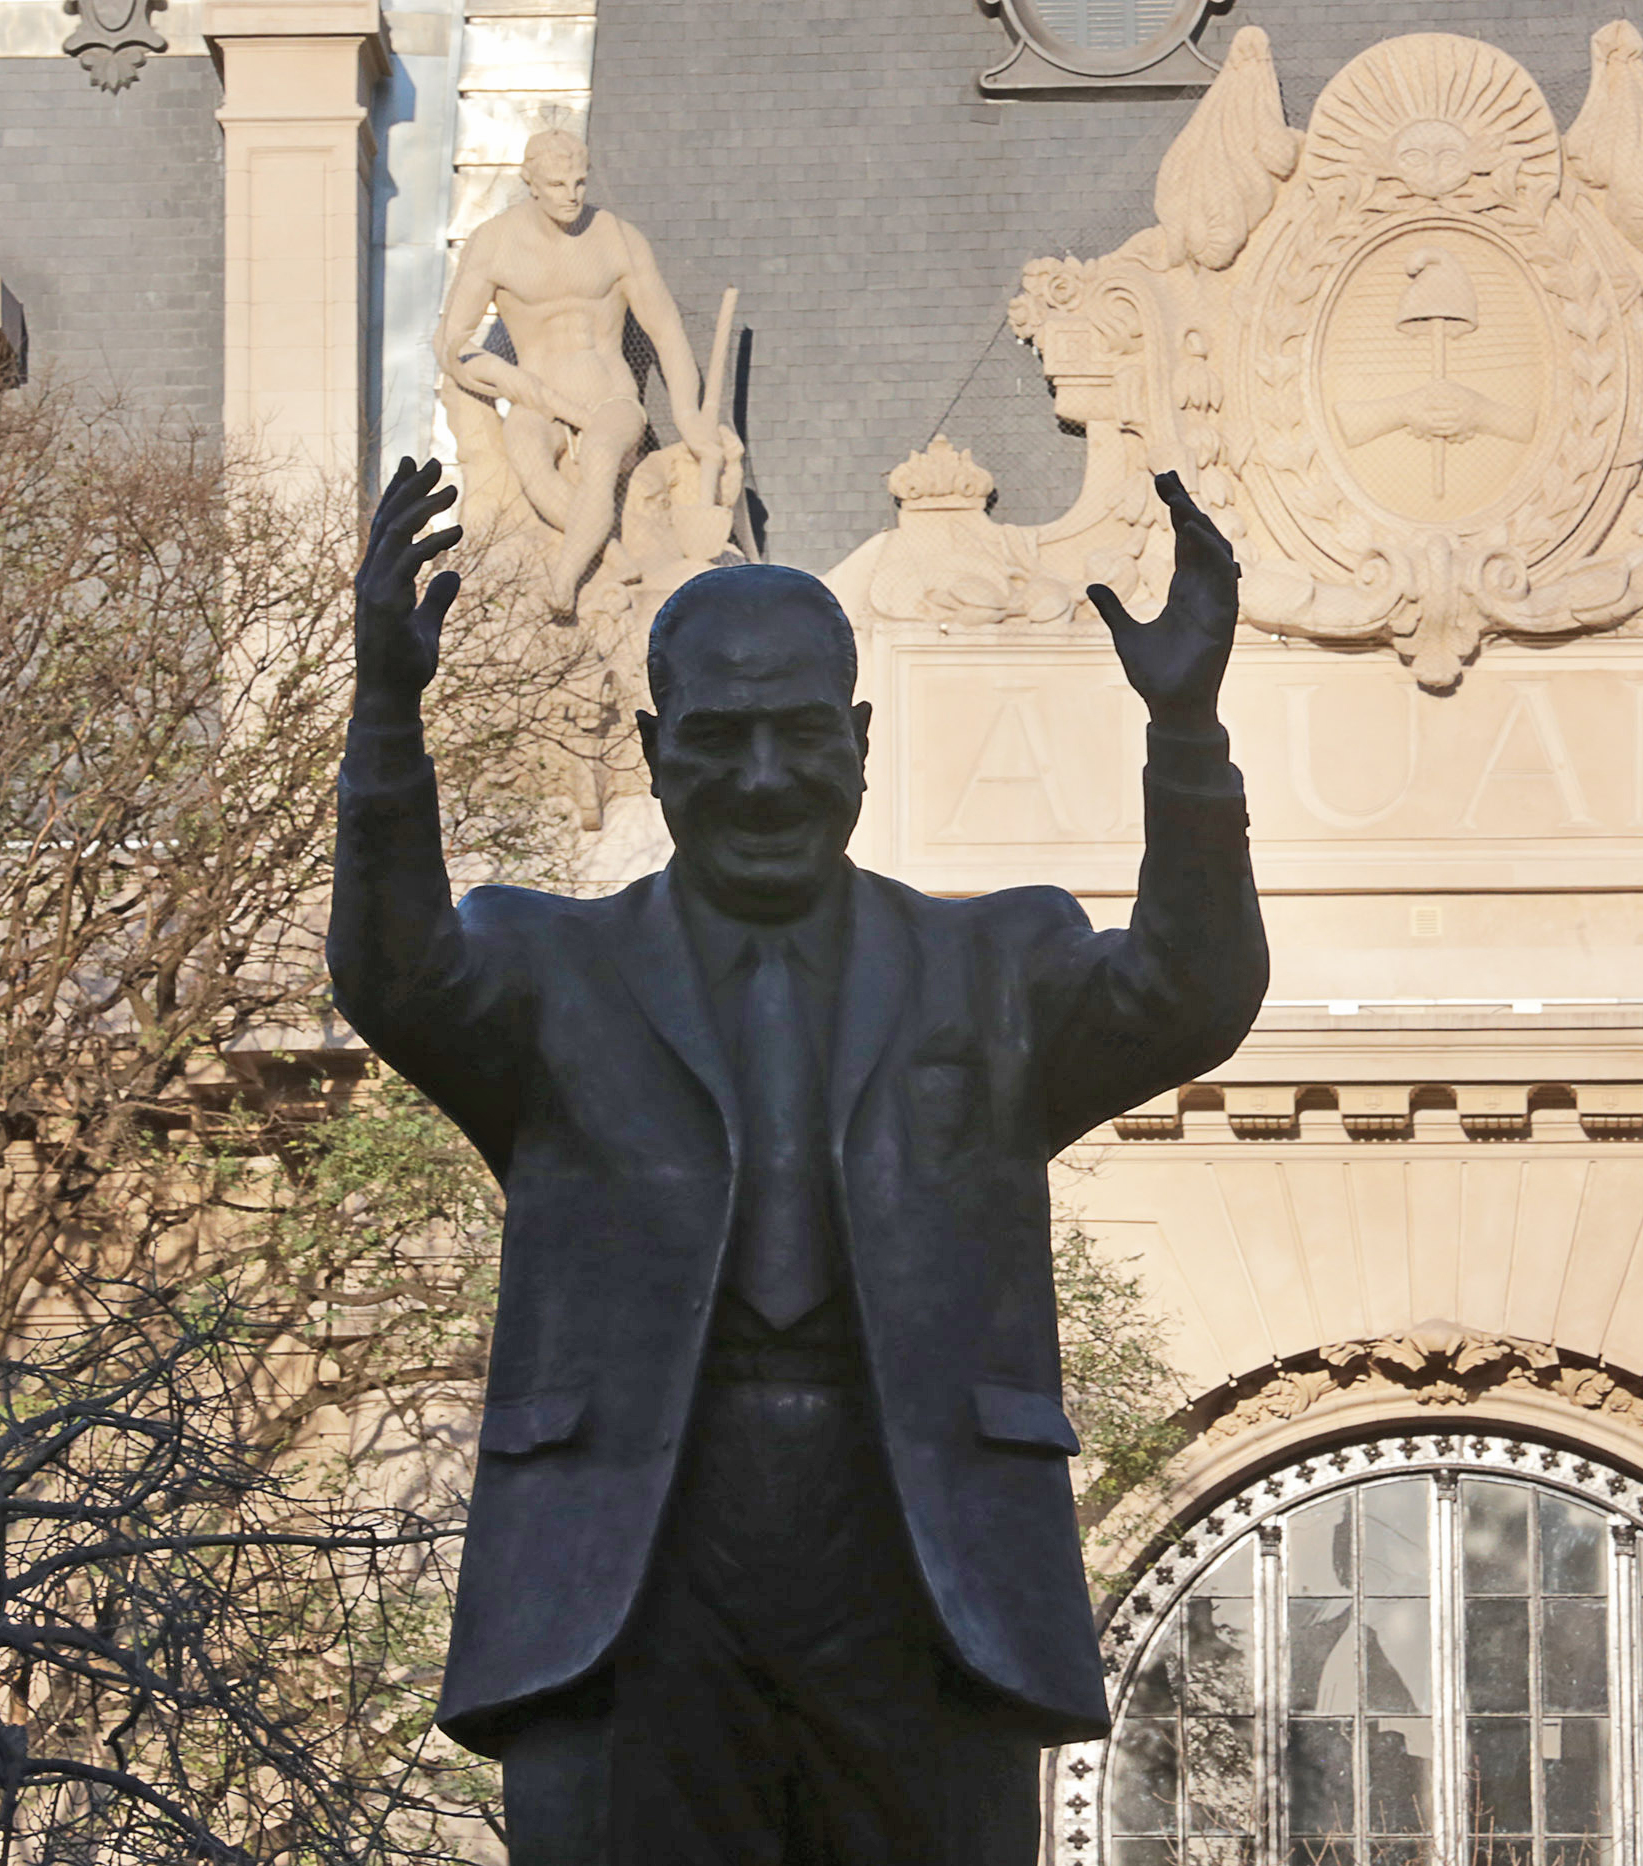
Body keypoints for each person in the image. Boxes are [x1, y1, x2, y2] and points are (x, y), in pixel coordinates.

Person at [330, 456, 1268, 1866]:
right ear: (655, 753)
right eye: (718, 739)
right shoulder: (544, 969)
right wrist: (389, 719)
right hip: (638, 1571)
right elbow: (392, 974)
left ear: (861, 739)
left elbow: (1192, 993)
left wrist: (1186, 729)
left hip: (915, 1559)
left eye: (798, 734)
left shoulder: (992, 964)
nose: (762, 779)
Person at [435, 130, 729, 609]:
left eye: (578, 183)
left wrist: (688, 414)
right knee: (528, 455)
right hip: (536, 398)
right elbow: (450, 341)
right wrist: (496, 375)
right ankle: (610, 553)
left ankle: (564, 580)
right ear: (530, 181)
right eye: (556, 185)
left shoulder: (616, 238)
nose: (570, 195)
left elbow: (666, 330)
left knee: (598, 457)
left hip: (610, 396)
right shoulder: (495, 243)